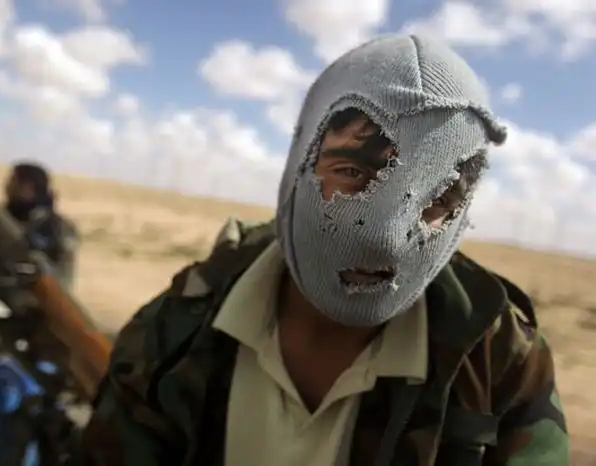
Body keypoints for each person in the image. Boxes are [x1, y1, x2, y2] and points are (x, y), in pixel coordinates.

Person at [80, 34, 570, 465]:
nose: (385, 237)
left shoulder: (498, 358)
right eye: (352, 173)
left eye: (439, 198)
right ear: (299, 162)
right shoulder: (180, 325)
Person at [0, 162, 79, 304]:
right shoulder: (11, 219)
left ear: (27, 188)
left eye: (12, 182)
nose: (7, 188)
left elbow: (61, 276)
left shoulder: (55, 228)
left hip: (34, 306)